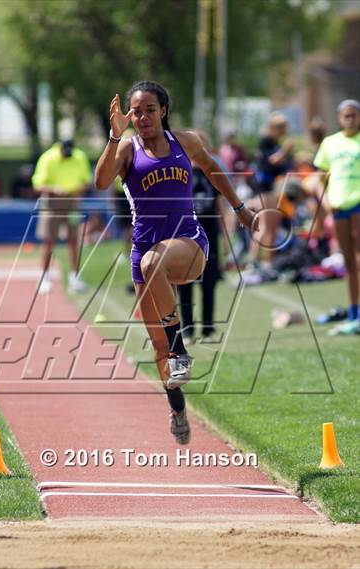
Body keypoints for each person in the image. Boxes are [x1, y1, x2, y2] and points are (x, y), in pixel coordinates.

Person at [95, 81, 257, 444]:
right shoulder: (125, 148)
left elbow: (214, 170)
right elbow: (101, 181)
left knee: (156, 264)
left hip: (189, 246)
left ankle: (180, 348)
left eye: (150, 109)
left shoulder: (187, 142)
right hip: (144, 252)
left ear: (164, 111)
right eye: (136, 111)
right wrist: (112, 136)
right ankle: (177, 406)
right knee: (156, 346)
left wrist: (240, 209)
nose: (142, 117)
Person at [314, 99, 360, 335]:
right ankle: (354, 312)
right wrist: (325, 203)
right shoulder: (330, 143)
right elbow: (321, 177)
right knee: (349, 262)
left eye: (354, 115)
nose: (350, 119)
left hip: (358, 203)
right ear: (339, 118)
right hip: (339, 206)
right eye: (346, 116)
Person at [179, 130, 223, 343]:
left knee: (209, 282)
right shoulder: (179, 169)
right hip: (185, 233)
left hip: (209, 232)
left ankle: (208, 328)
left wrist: (226, 234)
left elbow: (219, 203)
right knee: (184, 282)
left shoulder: (211, 171)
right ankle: (187, 328)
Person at [32, 139, 92, 294]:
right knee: (49, 239)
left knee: (73, 240)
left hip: (72, 202)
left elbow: (87, 181)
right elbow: (37, 184)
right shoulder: (48, 158)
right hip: (52, 202)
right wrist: (54, 189)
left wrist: (78, 189)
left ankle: (74, 277)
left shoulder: (79, 157)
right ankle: (44, 277)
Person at [250, 112, 293, 265]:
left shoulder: (276, 143)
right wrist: (285, 151)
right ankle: (253, 260)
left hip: (274, 188)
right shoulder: (266, 141)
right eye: (282, 128)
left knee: (274, 225)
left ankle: (268, 261)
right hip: (264, 188)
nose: (284, 131)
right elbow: (272, 161)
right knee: (265, 225)